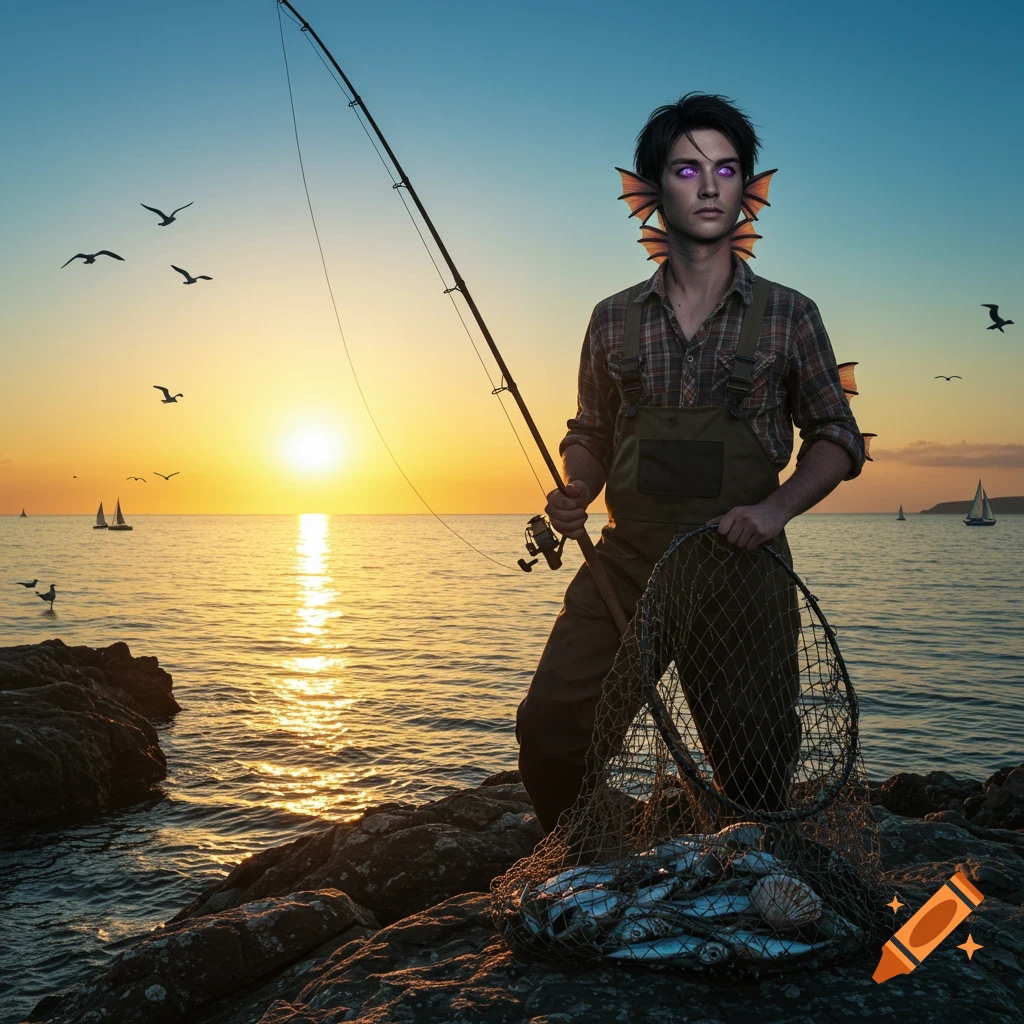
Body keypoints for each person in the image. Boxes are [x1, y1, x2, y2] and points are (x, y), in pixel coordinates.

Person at [515, 92, 865, 836]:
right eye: (686, 168)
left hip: (744, 565)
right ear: (651, 190)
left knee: (755, 768)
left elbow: (838, 437)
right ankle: (580, 867)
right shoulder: (612, 317)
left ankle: (743, 877)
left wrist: (774, 511)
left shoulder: (790, 313)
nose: (708, 186)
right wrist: (578, 483)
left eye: (726, 168)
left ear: (746, 190)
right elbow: (591, 429)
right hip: (630, 559)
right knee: (551, 730)